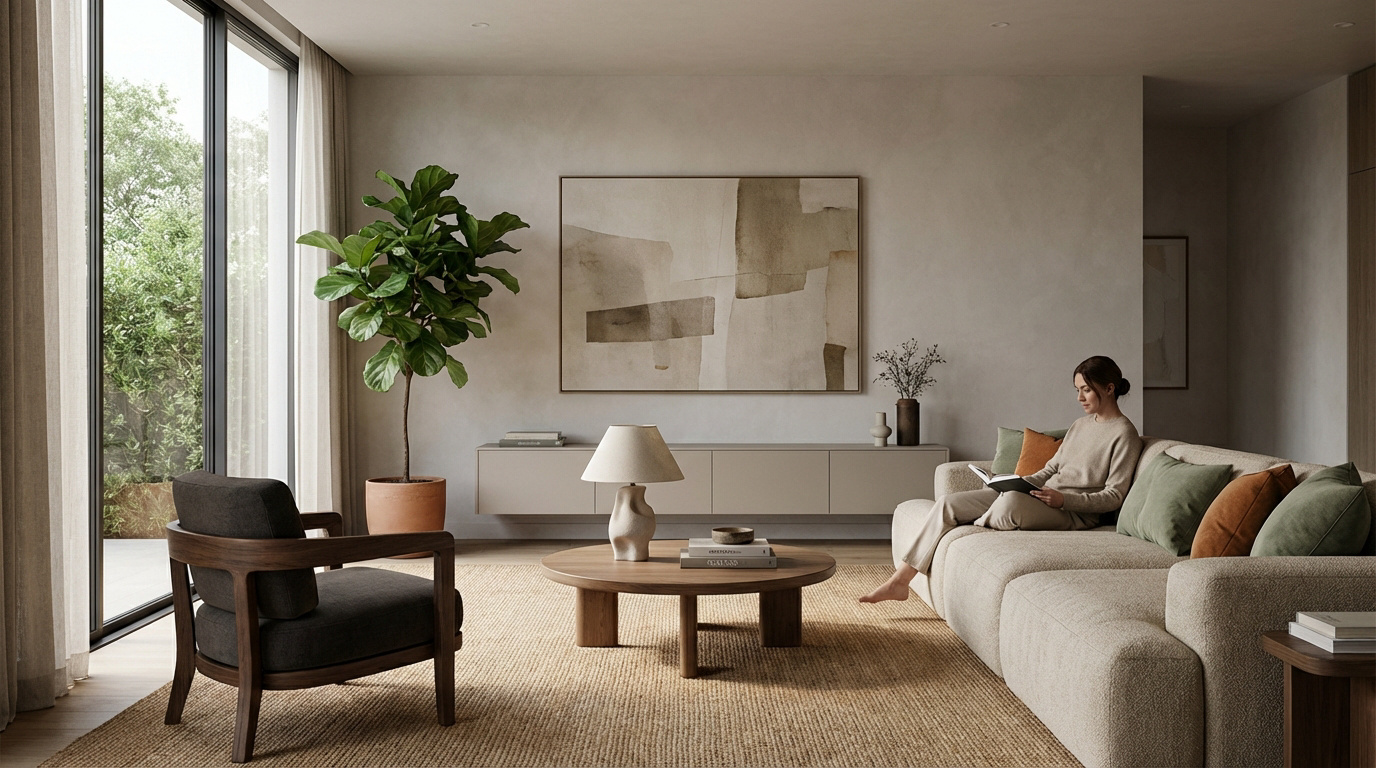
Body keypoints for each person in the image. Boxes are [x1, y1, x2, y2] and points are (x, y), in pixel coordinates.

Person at [859, 355, 1143, 603]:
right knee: (947, 503)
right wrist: (1017, 481)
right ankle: (900, 581)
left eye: (1086, 390)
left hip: (1074, 512)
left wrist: (1063, 499)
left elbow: (1114, 496)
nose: (1079, 398)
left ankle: (983, 516)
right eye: (1077, 390)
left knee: (1010, 506)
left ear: (1109, 388)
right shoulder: (1080, 425)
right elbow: (1050, 468)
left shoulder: (1124, 434)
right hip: (1038, 496)